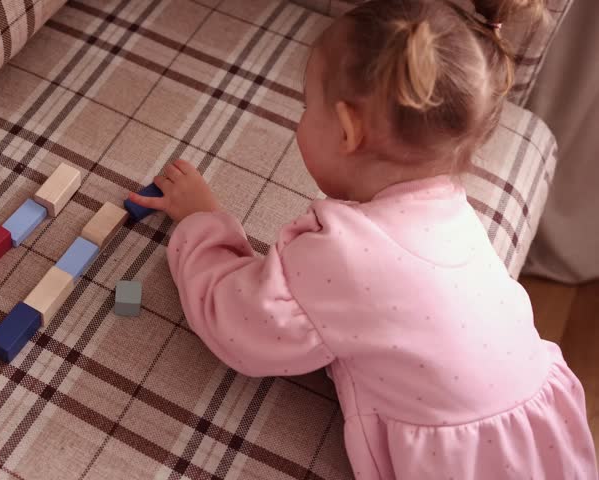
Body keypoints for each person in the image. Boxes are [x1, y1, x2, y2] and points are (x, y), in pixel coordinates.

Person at [127, 0, 598, 477]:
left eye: (307, 106)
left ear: (349, 130)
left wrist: (203, 220)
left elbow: (238, 323)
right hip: (544, 437)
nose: (301, 116)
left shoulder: (339, 251)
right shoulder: (455, 213)